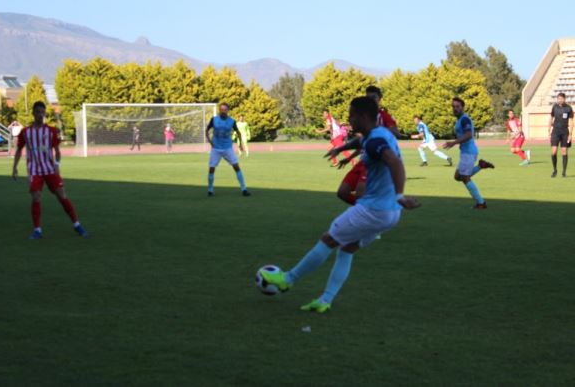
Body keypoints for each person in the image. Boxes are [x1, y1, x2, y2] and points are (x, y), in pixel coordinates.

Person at [259, 96, 420, 313]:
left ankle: (287, 279)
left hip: (373, 209)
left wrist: (400, 195)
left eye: (352, 115)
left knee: (328, 239)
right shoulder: (379, 134)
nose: (349, 120)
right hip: (391, 215)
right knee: (347, 249)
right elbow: (361, 142)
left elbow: (394, 162)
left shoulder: (374, 141)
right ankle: (325, 300)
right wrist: (340, 149)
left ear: (362, 116)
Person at [11, 101, 88, 240]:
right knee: (36, 196)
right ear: (33, 113)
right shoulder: (26, 132)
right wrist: (14, 167)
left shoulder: (51, 131)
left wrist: (57, 163)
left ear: (45, 113)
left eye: (42, 112)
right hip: (34, 170)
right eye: (38, 112)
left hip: (50, 170)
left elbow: (58, 152)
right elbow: (18, 150)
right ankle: (37, 230)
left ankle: (77, 225)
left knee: (62, 195)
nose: (40, 115)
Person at [443, 97, 494, 209]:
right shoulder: (460, 119)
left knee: (465, 178)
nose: (455, 109)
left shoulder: (464, 119)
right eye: (453, 106)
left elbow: (468, 135)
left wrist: (454, 142)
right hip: (466, 152)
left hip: (469, 152)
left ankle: (481, 202)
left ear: (462, 107)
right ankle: (481, 166)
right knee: (458, 176)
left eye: (457, 106)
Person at [205, 103, 251, 197]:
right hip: (216, 149)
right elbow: (207, 130)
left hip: (227, 148)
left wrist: (241, 145)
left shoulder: (232, 121)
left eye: (225, 109)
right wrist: (210, 141)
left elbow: (238, 132)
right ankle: (210, 190)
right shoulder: (214, 120)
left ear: (228, 110)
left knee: (236, 167)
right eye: (221, 109)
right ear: (219, 110)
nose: (223, 111)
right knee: (211, 168)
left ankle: (244, 189)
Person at [549, 92, 573, 177]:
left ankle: (564, 172)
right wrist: (549, 129)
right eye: (558, 98)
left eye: (561, 98)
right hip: (555, 131)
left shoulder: (569, 108)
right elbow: (551, 117)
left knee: (564, 151)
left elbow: (571, 121)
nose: (560, 100)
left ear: (564, 99)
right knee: (554, 151)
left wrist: (570, 134)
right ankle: (555, 170)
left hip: (565, 132)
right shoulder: (554, 107)